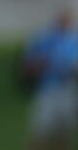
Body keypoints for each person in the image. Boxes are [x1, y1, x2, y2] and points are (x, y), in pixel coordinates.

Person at [23, 9, 78, 150]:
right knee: (41, 129)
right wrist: (43, 63)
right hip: (48, 89)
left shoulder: (74, 40)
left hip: (68, 90)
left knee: (64, 130)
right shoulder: (44, 39)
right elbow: (29, 64)